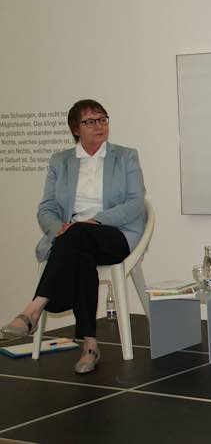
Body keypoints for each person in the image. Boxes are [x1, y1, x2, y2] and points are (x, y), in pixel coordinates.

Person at [0, 99, 146, 375]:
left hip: (114, 234)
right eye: (90, 121)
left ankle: (35, 307)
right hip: (73, 238)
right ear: (75, 129)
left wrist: (96, 220)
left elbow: (136, 204)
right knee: (81, 254)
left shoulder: (126, 156)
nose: (99, 126)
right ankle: (90, 345)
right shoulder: (60, 161)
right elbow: (47, 208)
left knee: (80, 235)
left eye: (103, 119)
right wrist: (58, 228)